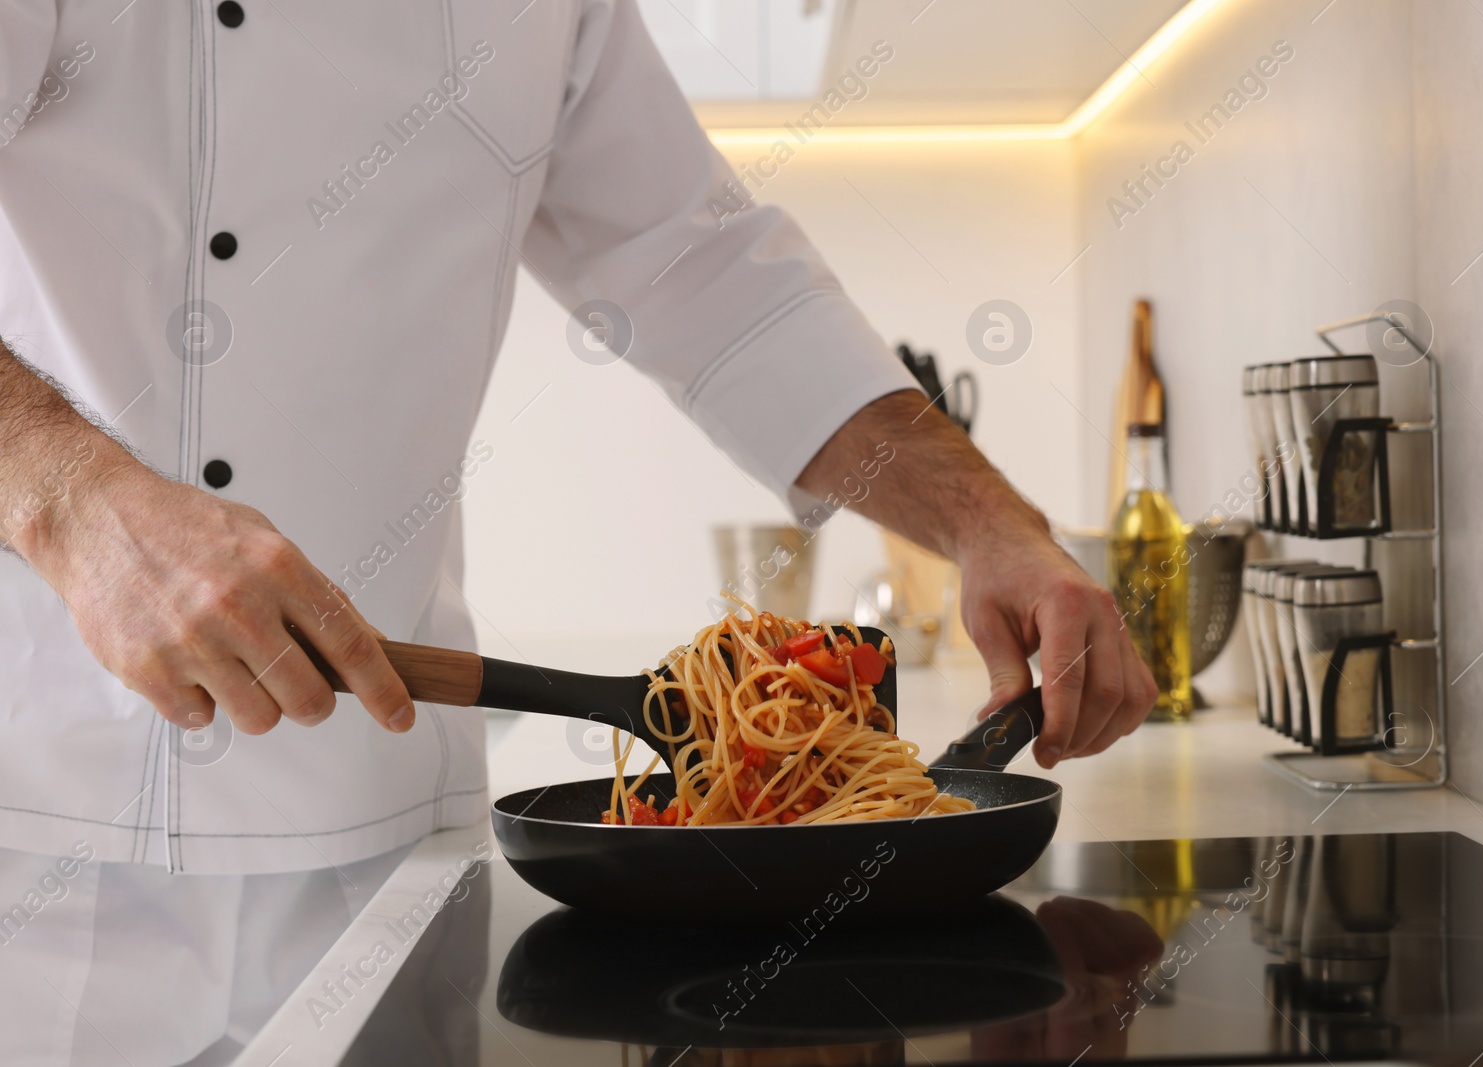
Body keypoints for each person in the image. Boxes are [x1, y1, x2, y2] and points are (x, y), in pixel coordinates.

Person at [0, 0, 1156, 1060]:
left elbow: (701, 270)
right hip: (41, 828)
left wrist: (987, 522)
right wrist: (73, 502)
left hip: (387, 832)